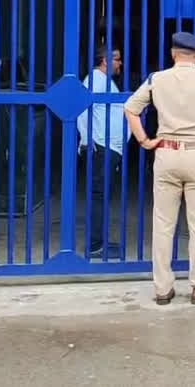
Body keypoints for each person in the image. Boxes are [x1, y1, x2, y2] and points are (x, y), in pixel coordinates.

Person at [125, 32, 195, 305]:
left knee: (163, 224)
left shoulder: (157, 79)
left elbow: (130, 109)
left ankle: (163, 289)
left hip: (166, 153)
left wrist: (145, 141)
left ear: (173, 53)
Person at [77, 47, 125, 259]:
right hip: (101, 146)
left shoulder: (103, 80)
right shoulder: (95, 79)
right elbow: (82, 111)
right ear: (105, 60)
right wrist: (88, 141)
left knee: (102, 195)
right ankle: (95, 245)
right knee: (98, 196)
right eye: (117, 59)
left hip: (107, 146)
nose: (120, 63)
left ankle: (99, 241)